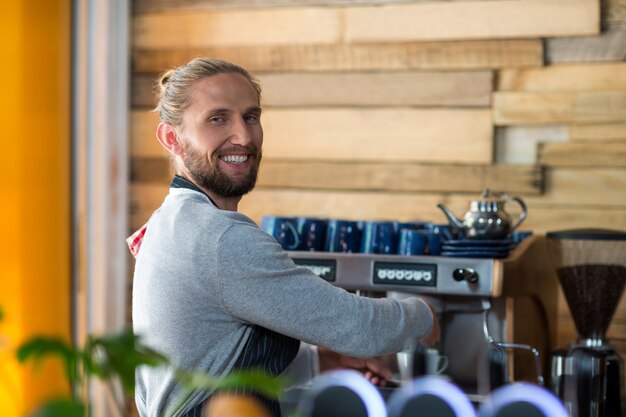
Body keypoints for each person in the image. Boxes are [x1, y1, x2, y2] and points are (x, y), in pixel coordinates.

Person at [130, 57, 439, 417]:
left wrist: (316, 362)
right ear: (172, 138)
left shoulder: (171, 221)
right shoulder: (221, 237)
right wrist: (425, 315)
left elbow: (211, 355)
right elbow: (357, 327)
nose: (243, 137)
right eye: (218, 119)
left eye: (250, 116)